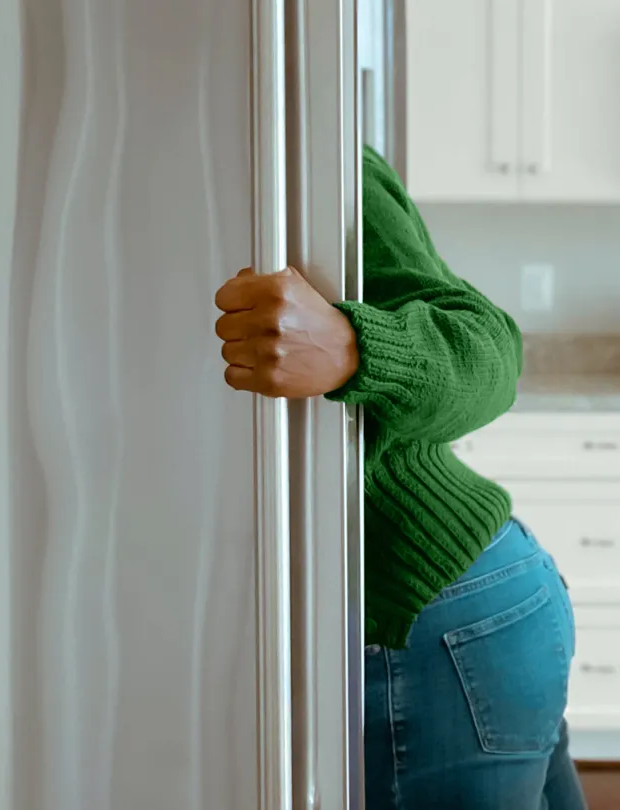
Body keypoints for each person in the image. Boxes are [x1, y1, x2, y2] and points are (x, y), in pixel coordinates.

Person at [213, 146, 585, 810]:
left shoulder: (307, 148)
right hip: (438, 621)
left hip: (436, 616)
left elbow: (489, 356)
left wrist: (354, 348)